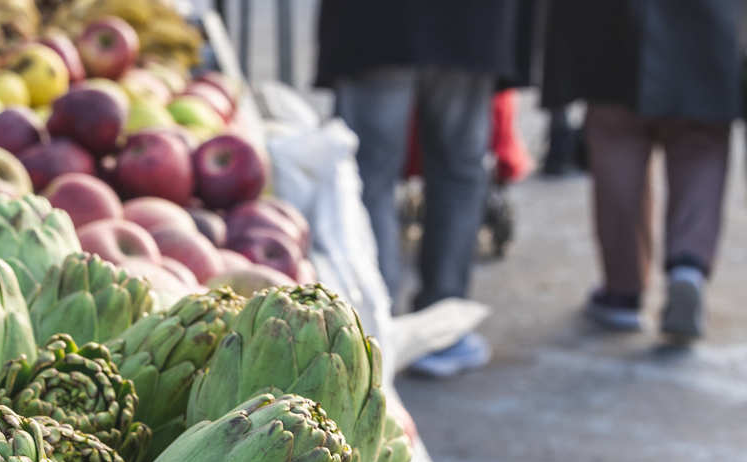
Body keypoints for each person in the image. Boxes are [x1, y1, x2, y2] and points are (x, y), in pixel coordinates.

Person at [315, 0, 523, 378]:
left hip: (378, 24)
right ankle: (442, 324)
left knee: (367, 175)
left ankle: (372, 326)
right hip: (470, 23)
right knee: (458, 170)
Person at [543, 0, 746, 339]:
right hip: (707, 24)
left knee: (616, 136)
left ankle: (622, 291)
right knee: (700, 142)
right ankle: (688, 265)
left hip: (613, 24)